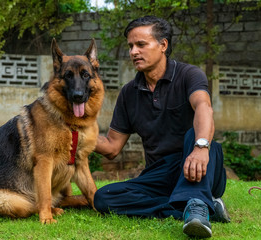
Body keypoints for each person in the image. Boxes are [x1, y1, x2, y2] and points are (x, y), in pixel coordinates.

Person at [93, 16, 230, 238]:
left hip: (201, 164)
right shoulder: (129, 93)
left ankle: (196, 202)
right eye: (130, 46)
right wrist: (77, 134)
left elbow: (204, 107)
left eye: (141, 44)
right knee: (104, 197)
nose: (133, 52)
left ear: (163, 45)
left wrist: (201, 147)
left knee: (194, 133)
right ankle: (197, 208)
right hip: (159, 175)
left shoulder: (188, 74)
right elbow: (111, 147)